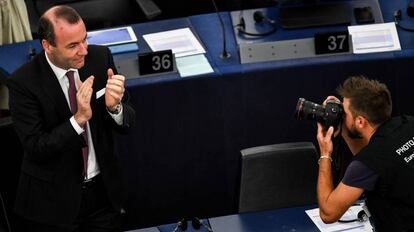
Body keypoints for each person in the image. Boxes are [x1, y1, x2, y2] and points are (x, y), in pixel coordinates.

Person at [7, 5, 135, 232]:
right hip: (53, 204)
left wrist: (115, 109)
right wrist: (78, 120)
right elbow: (36, 147)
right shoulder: (23, 83)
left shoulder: (100, 57)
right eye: (73, 45)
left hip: (102, 195)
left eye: (84, 40)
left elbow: (128, 121)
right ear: (47, 46)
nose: (84, 50)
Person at [316, 75, 414, 231]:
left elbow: (328, 213)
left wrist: (325, 153)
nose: (341, 114)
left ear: (360, 121)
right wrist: (345, 129)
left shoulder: (369, 162)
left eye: (344, 113)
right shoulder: (408, 122)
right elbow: (375, 158)